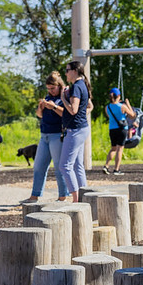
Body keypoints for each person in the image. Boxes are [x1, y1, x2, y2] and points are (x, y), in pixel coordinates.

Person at [26, 72, 70, 202]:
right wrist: (41, 108)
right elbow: (40, 115)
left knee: (58, 167)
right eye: (48, 89)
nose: (50, 91)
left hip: (57, 135)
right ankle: (35, 195)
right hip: (44, 135)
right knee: (38, 165)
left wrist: (54, 106)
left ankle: (63, 196)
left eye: (53, 88)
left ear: (59, 85)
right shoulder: (48, 97)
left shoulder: (65, 96)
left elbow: (68, 114)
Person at [59, 60, 93, 203]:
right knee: (78, 165)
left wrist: (63, 98)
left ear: (74, 71)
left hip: (75, 130)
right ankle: (85, 197)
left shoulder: (76, 87)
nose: (65, 73)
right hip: (81, 128)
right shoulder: (82, 85)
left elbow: (73, 110)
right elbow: (87, 107)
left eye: (67, 70)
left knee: (65, 166)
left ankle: (76, 199)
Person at [103, 87, 136, 176]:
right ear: (118, 96)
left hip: (112, 129)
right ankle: (116, 169)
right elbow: (132, 115)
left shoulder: (107, 107)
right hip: (122, 129)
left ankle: (106, 166)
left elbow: (109, 116)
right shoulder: (122, 106)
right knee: (120, 149)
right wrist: (128, 104)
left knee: (113, 148)